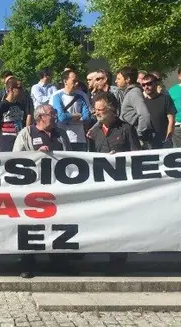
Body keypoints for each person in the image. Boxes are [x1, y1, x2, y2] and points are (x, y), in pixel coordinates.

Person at [13, 104, 72, 278]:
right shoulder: (26, 133)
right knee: (30, 226)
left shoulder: (61, 133)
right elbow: (14, 159)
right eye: (52, 114)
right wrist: (35, 155)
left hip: (56, 188)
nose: (55, 117)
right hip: (33, 190)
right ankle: (27, 262)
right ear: (41, 117)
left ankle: (59, 262)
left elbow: (70, 156)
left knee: (57, 224)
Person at [88, 92, 139, 274]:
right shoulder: (93, 132)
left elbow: (136, 156)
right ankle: (108, 255)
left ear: (112, 111)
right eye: (95, 111)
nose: (98, 114)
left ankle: (119, 259)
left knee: (121, 222)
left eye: (101, 110)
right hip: (103, 186)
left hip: (122, 186)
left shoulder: (126, 129)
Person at [51, 70, 91, 151]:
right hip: (62, 138)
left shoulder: (82, 95)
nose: (77, 83)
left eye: (77, 81)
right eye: (74, 81)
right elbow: (61, 117)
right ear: (65, 81)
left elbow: (87, 117)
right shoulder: (57, 96)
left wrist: (68, 119)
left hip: (79, 139)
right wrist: (77, 116)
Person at [0, 78, 28, 152]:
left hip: (20, 141)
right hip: (7, 142)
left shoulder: (21, 105)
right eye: (19, 88)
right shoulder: (1, 106)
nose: (22, 90)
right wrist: (2, 141)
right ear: (11, 89)